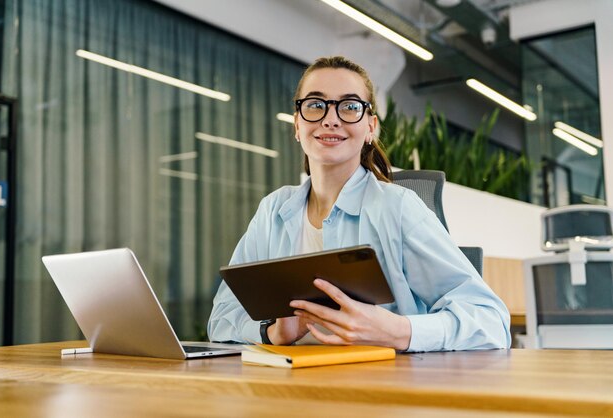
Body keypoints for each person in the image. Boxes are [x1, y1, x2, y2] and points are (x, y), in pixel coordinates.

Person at [208, 56, 511, 352]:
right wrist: (271, 332)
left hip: (378, 386)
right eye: (315, 105)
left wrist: (397, 331)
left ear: (370, 127)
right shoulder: (273, 210)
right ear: (297, 125)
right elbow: (221, 317)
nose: (330, 119)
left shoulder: (399, 208)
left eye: (350, 106)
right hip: (291, 385)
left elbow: (491, 320)